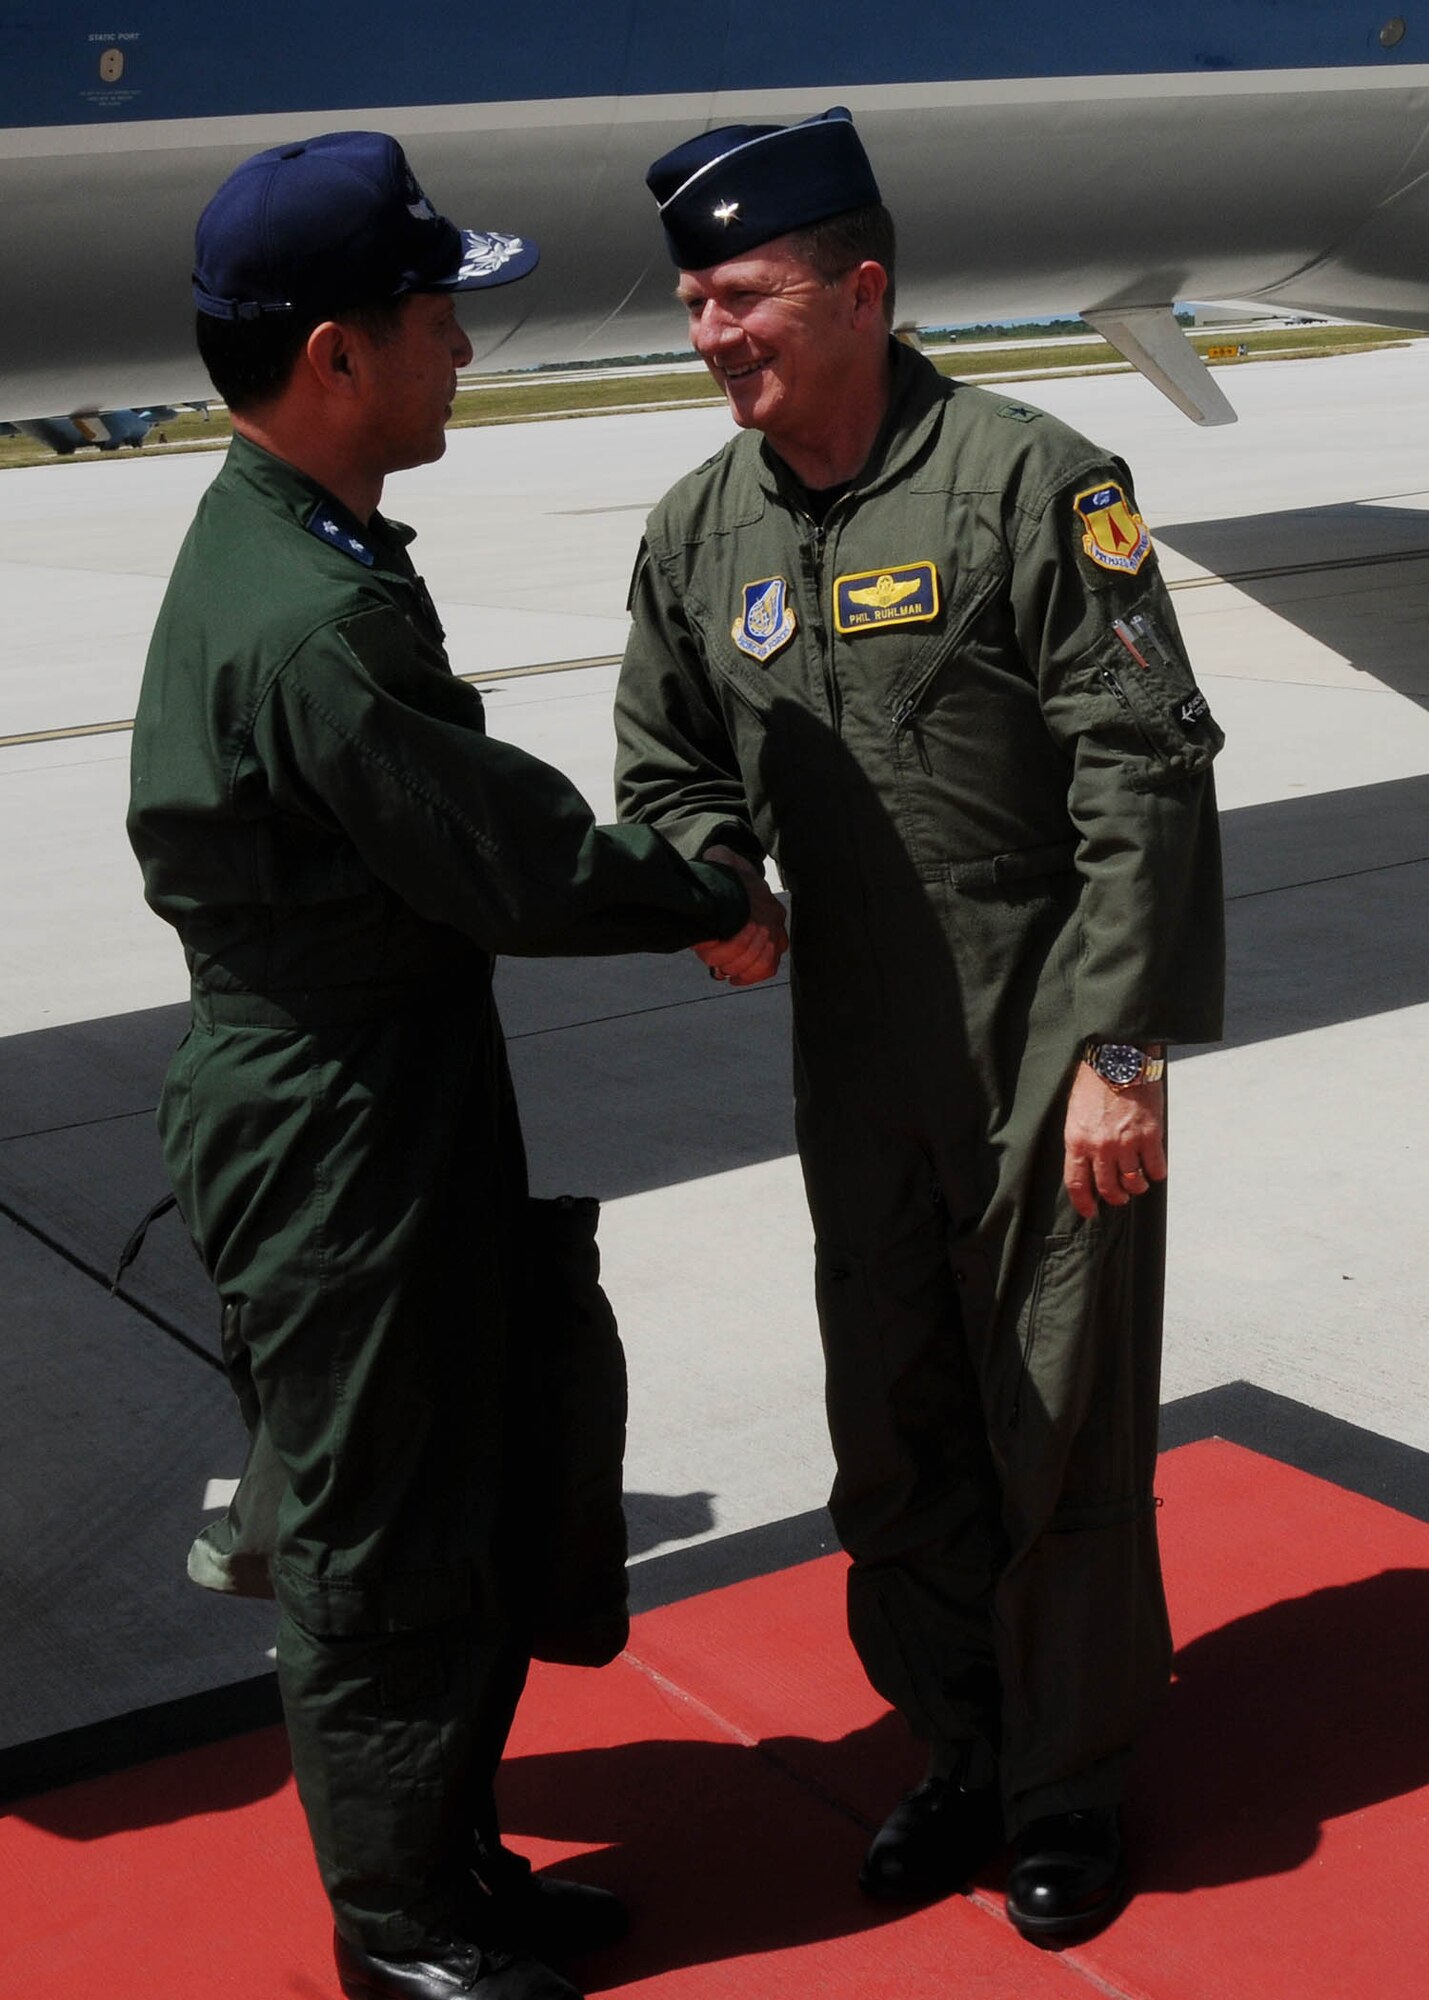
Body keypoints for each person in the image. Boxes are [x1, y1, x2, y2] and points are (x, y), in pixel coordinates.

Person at [127, 131, 786, 2000]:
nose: (462, 354)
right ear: (336, 352)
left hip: (378, 1078)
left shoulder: (290, 536)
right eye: (436, 320)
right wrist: (711, 894)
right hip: (335, 1121)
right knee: (371, 1530)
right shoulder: (317, 620)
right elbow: (503, 850)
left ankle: (450, 1857)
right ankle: (400, 1926)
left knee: (467, 1471)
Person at [614, 107, 1225, 1943]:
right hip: (858, 1064)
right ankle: (955, 1746)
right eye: (695, 302)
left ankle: (1067, 1783)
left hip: (1048, 1049)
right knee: (895, 1430)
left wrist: (1122, 1052)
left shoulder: (1034, 481)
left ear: (861, 290)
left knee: (1053, 1426)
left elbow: (1146, 769)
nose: (713, 332)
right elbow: (666, 760)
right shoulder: (696, 525)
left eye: (746, 296)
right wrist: (715, 869)